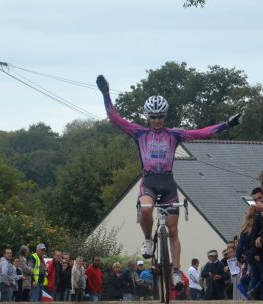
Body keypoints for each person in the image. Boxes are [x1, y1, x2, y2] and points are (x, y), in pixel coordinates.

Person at [96, 75, 241, 286]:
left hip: (168, 183)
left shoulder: (174, 134)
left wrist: (226, 125)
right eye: (153, 117)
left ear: (165, 116)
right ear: (148, 117)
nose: (157, 121)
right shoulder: (139, 133)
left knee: (173, 231)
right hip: (149, 182)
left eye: (160, 117)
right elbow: (115, 119)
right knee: (146, 209)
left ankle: (175, 271)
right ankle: (148, 239)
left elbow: (200, 133)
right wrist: (106, 93)